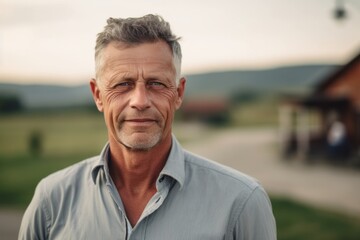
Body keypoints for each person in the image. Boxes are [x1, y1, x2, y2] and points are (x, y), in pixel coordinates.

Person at [19, 14, 276, 239]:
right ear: (97, 95)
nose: (140, 101)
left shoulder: (242, 203)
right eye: (122, 84)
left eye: (156, 83)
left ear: (178, 93)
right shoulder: (51, 200)